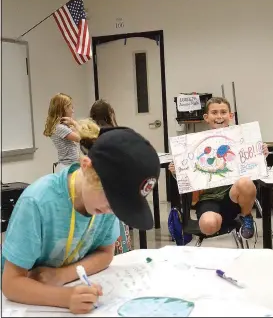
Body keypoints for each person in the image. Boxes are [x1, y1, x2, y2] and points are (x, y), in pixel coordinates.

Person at [2, 119, 160, 314]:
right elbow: (11, 283)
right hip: (21, 303)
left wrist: (61, 276)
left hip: (64, 284)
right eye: (112, 201)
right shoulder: (37, 202)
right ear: (86, 166)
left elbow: (106, 254)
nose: (112, 211)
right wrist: (66, 298)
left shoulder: (104, 205)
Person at [169, 97, 269, 239]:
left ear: (230, 115)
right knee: (208, 225)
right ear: (206, 117)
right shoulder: (194, 144)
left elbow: (254, 166)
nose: (219, 116)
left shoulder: (243, 139)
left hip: (233, 197)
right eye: (214, 113)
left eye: (223, 112)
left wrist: (261, 155)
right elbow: (189, 179)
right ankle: (219, 221)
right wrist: (177, 172)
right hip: (208, 199)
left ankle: (246, 216)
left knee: (245, 183)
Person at [89, 99, 132, 255]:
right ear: (110, 115)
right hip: (116, 186)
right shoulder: (116, 134)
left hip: (95, 187)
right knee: (116, 223)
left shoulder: (88, 136)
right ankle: (120, 252)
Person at [43, 93, 80, 172]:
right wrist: (75, 123)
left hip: (70, 165)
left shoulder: (61, 127)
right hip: (68, 167)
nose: (73, 111)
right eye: (71, 108)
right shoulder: (60, 128)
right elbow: (81, 138)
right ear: (64, 109)